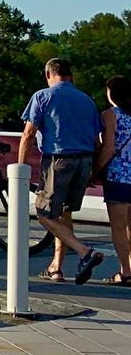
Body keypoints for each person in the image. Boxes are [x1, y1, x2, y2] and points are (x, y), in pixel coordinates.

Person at [18, 57, 104, 284]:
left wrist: (20, 168)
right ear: (70, 75)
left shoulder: (43, 96)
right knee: (64, 214)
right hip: (84, 161)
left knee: (45, 214)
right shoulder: (86, 100)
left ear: (48, 74)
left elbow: (28, 133)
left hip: (58, 161)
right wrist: (95, 171)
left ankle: (85, 251)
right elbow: (97, 142)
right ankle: (57, 267)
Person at [95, 75, 130, 285]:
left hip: (118, 175)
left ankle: (125, 271)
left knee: (118, 227)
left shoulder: (110, 115)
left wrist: (96, 171)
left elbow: (108, 148)